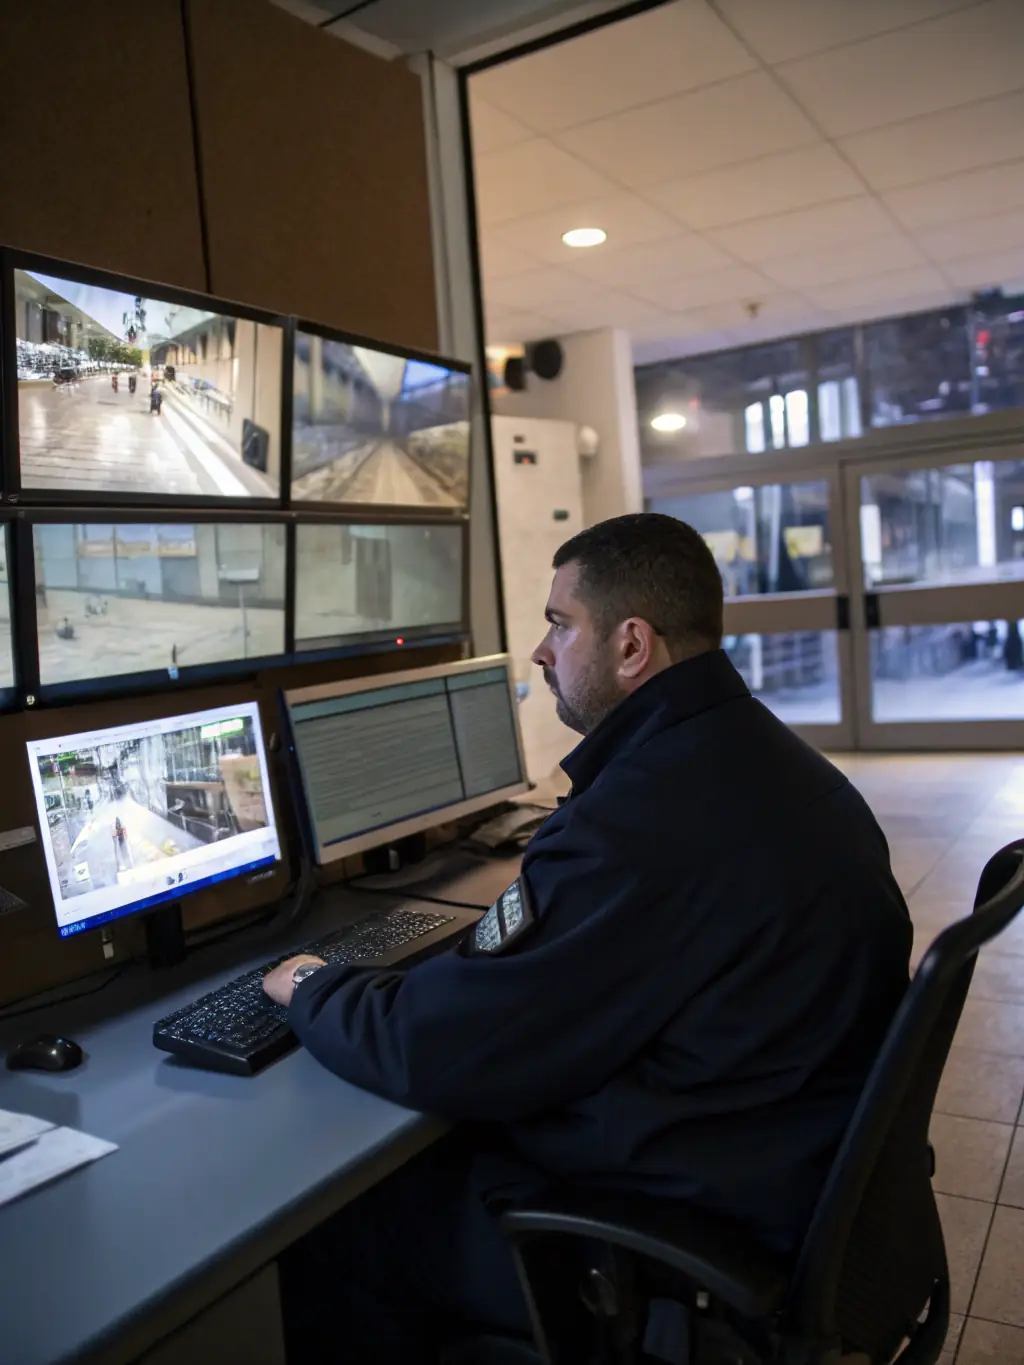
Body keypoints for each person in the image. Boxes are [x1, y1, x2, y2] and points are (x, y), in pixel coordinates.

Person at [266, 513, 912, 1365]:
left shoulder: (639, 822)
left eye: (559, 623)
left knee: (331, 1228)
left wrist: (314, 986)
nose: (541, 650)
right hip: (787, 1173)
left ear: (632, 645)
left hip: (688, 1244)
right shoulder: (773, 763)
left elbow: (445, 1046)